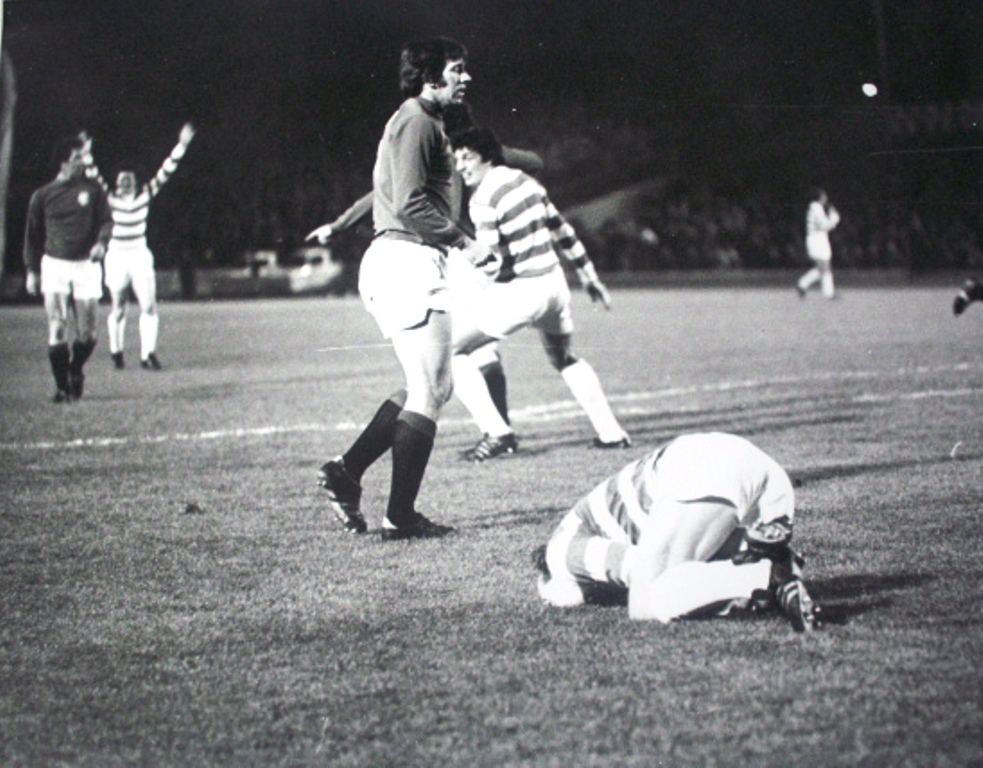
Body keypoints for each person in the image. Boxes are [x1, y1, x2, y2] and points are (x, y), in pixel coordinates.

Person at [317, 37, 493, 540]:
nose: (466, 78)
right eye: (457, 70)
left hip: (400, 260)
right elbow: (413, 203)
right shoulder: (417, 121)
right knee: (434, 387)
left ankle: (346, 473)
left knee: (428, 386)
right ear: (431, 76)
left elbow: (390, 190)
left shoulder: (416, 121)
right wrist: (465, 244)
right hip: (408, 260)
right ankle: (398, 514)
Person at [306, 103, 542, 430]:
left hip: (456, 253)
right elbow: (535, 162)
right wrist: (496, 155)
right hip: (468, 254)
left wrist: (338, 225)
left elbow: (381, 194)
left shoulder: (435, 153)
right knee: (477, 349)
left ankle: (497, 432)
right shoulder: (467, 153)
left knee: (451, 353)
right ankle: (500, 429)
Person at [449, 127, 631, 461]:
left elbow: (491, 262)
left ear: (487, 156)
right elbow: (563, 230)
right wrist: (590, 278)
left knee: (448, 351)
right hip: (555, 285)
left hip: (522, 291)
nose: (460, 166)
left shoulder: (483, 199)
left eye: (466, 157)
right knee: (563, 358)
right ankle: (612, 433)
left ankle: (498, 432)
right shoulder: (527, 182)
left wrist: (468, 287)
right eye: (456, 158)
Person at [532, 432, 820, 632]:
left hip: (702, 471)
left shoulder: (561, 550)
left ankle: (768, 575)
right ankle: (769, 566)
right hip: (757, 470)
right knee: (687, 572)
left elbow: (568, 594)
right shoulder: (601, 520)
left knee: (647, 601)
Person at [82, 122, 196, 370]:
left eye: (129, 180)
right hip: (116, 256)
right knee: (119, 307)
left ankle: (148, 355)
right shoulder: (110, 199)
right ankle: (116, 352)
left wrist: (182, 145)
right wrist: (86, 153)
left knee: (148, 305)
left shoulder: (144, 196)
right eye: (121, 180)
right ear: (117, 183)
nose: (125, 183)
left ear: (134, 183)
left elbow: (167, 170)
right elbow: (93, 176)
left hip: (138, 254)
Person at [23, 134, 113, 403]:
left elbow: (107, 222)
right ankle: (62, 388)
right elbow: (33, 236)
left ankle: (75, 369)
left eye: (83, 158)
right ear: (62, 163)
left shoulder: (94, 191)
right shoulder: (43, 196)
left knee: (88, 335)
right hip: (55, 266)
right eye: (76, 159)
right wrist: (31, 271)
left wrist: (101, 243)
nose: (82, 164)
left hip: (86, 266)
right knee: (57, 325)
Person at [796, 187, 840, 300]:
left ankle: (802, 284)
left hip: (818, 239)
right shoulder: (816, 208)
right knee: (824, 266)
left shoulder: (815, 208)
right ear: (819, 197)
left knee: (822, 267)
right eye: (824, 195)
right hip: (817, 240)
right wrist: (834, 218)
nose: (826, 198)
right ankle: (829, 293)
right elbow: (824, 225)